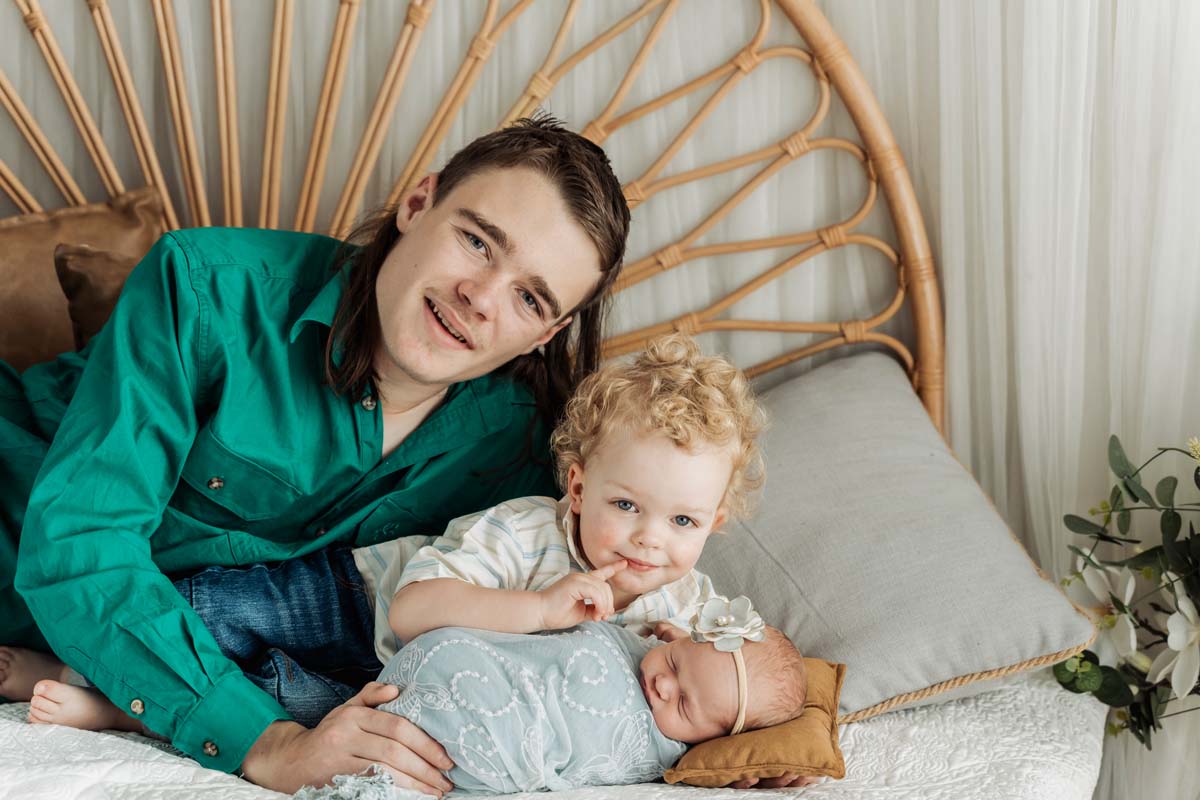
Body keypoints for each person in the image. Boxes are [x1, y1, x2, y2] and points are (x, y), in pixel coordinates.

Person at [0, 115, 630, 797]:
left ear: (548, 333)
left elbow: (622, 606)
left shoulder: (526, 452)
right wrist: (266, 741)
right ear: (418, 203)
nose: (479, 299)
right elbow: (80, 542)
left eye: (529, 297)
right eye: (476, 241)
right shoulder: (206, 289)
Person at [25, 332, 765, 735]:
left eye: (683, 521)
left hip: (394, 678)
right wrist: (540, 610)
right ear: (577, 487)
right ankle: (77, 663)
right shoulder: (527, 531)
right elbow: (412, 611)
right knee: (223, 613)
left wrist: (766, 745)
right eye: (626, 505)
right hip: (357, 600)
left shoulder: (692, 610)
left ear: (715, 523)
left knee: (305, 710)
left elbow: (759, 680)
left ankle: (122, 711)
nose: (649, 541)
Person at [321, 608, 808, 795]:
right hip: (472, 665)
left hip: (493, 738)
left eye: (683, 705)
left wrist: (757, 774)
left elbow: (729, 767)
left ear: (717, 738)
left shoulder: (681, 754)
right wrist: (673, 641)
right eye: (675, 662)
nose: (663, 685)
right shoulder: (646, 647)